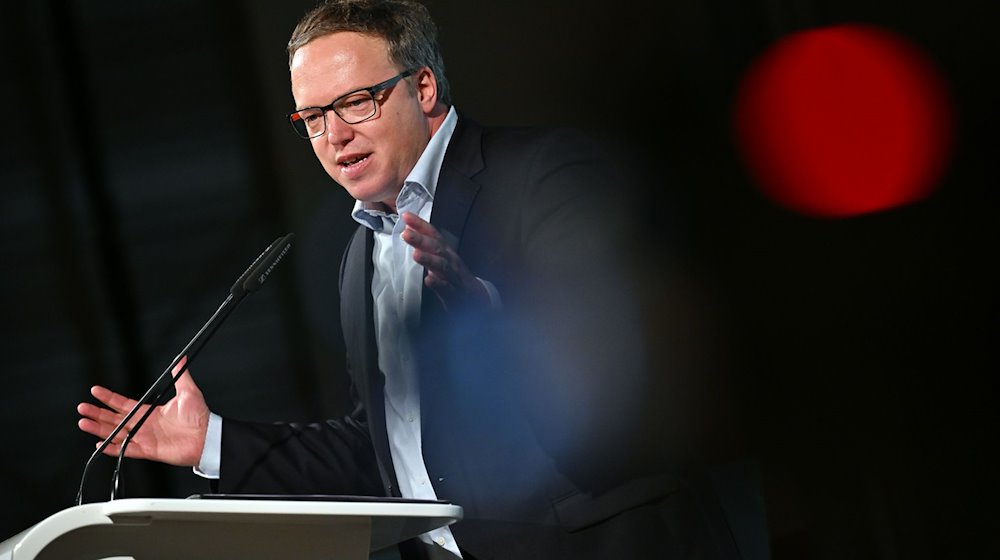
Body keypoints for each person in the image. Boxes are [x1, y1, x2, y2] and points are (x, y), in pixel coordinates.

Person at [79, 1, 749, 558]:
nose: (334, 137)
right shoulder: (358, 256)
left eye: (357, 103)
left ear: (423, 87)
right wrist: (212, 442)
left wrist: (498, 320)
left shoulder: (541, 174)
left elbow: (634, 377)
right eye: (312, 119)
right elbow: (386, 450)